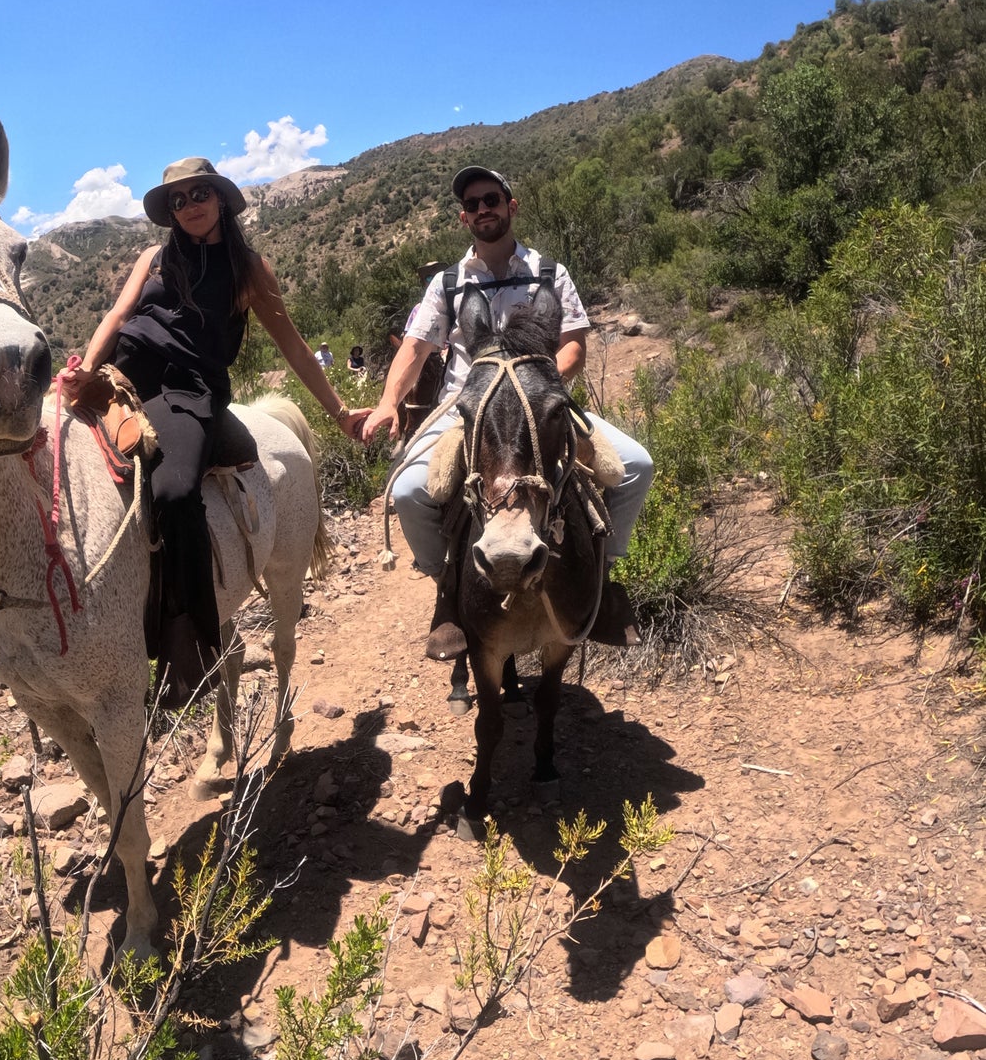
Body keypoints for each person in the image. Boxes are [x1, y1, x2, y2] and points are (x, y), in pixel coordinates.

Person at [61, 157, 369, 705]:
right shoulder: (154, 257)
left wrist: (339, 410)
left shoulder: (249, 269)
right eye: (177, 201)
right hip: (125, 375)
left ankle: (190, 646)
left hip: (188, 390)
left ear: (220, 198)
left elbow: (293, 347)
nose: (189, 206)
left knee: (176, 490)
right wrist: (87, 366)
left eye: (198, 193)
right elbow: (117, 313)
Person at [361, 165, 654, 658]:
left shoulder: (549, 273)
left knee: (635, 466)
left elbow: (574, 348)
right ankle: (446, 591)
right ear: (463, 218)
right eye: (472, 204)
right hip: (467, 409)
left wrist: (536, 389)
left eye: (491, 199)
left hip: (540, 406)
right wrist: (389, 401)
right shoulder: (447, 284)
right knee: (411, 493)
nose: (483, 209)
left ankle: (605, 576)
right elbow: (414, 349)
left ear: (511, 206)